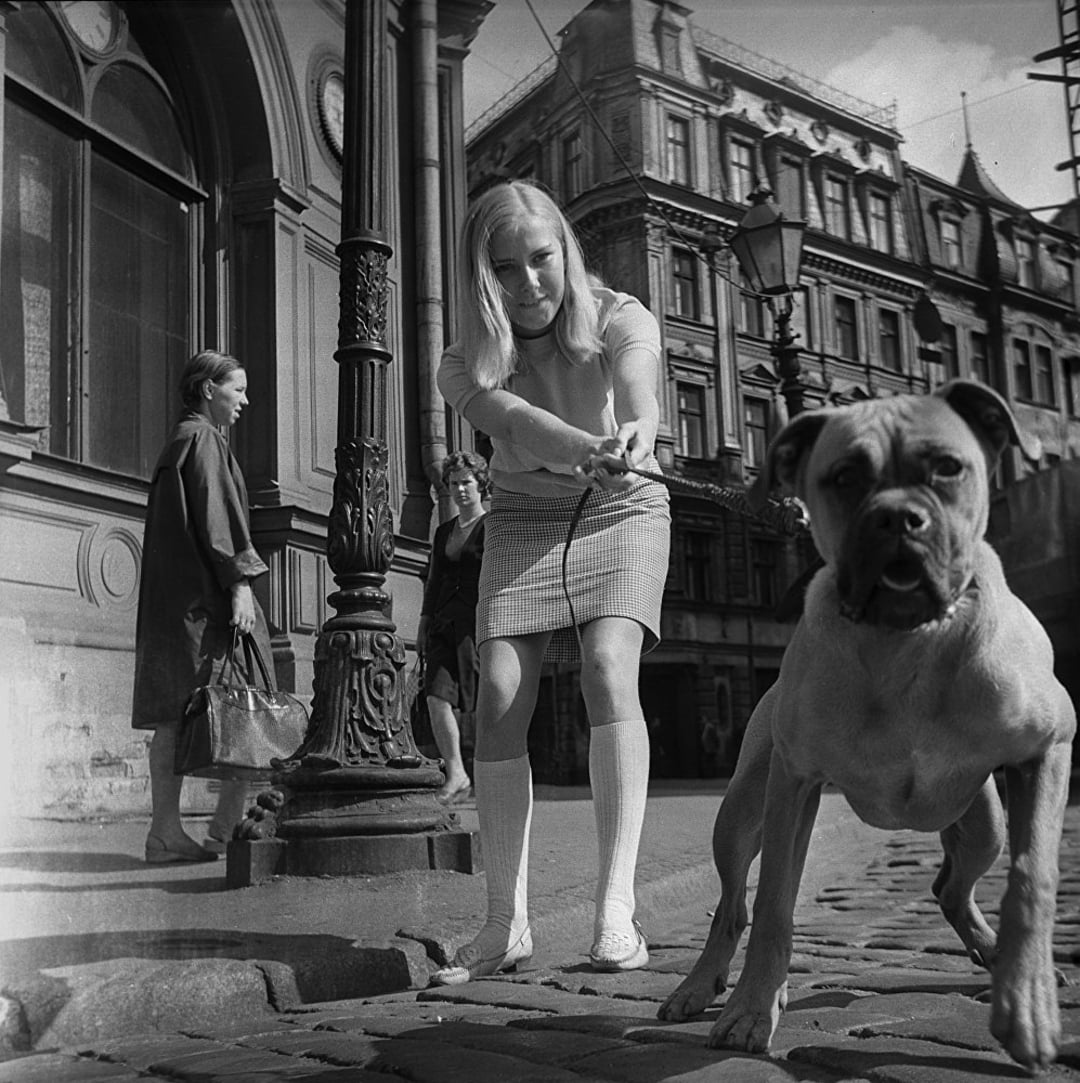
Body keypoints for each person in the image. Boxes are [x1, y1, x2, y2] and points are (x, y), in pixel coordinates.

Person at [429, 179, 670, 984]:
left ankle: (615, 912)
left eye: (542, 259)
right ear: (482, 276)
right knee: (496, 694)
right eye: (506, 268)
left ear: (564, 251)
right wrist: (580, 446)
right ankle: (505, 923)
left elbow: (639, 374)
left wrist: (637, 430)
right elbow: (514, 424)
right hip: (526, 512)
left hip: (624, 503)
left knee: (606, 670)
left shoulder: (618, 313)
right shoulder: (461, 363)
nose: (529, 283)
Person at [131, 350, 276, 863]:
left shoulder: (180, 439)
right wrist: (239, 583)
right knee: (251, 697)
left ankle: (168, 831)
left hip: (176, 599)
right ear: (208, 389)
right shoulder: (204, 440)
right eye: (237, 389)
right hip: (205, 598)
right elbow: (218, 518)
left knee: (174, 713)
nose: (245, 400)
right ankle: (222, 823)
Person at [418, 449, 489, 805]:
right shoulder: (445, 531)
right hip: (445, 625)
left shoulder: (493, 525)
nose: (460, 490)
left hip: (479, 626)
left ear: (481, 485)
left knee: (479, 702)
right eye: (454, 483)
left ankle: (492, 776)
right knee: (436, 696)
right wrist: (422, 625)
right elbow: (434, 581)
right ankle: (456, 772)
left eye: (467, 482)